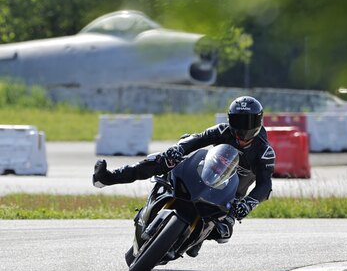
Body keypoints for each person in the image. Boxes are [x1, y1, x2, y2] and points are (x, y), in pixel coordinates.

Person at [93, 96, 275, 257]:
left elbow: (265, 186)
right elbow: (197, 138)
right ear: (230, 119)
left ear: (258, 122)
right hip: (203, 176)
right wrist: (178, 149)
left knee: (224, 231)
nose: (242, 128)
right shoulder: (223, 131)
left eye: (248, 122)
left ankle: (197, 239)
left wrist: (248, 203)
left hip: (230, 196)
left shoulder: (264, 151)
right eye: (238, 120)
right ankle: (108, 178)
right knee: (162, 159)